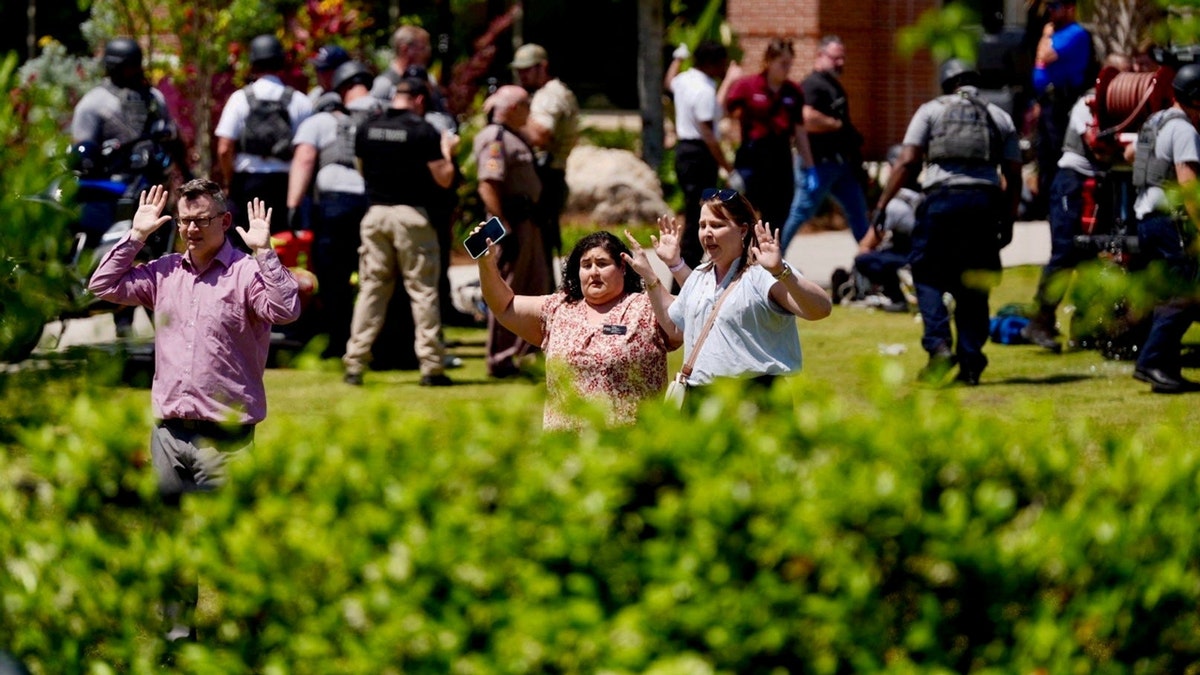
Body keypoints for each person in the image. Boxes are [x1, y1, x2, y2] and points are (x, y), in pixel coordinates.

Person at [87, 180, 301, 497]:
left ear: (225, 221)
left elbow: (286, 310)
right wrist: (136, 236)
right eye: (184, 220)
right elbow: (101, 285)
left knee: (223, 537)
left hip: (225, 441)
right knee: (165, 533)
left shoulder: (246, 272)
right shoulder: (164, 272)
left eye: (202, 219)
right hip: (167, 435)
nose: (191, 229)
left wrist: (265, 253)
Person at [874, 59, 1022, 386]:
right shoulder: (1000, 116)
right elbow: (1013, 174)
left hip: (941, 201)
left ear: (946, 84)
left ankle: (939, 346)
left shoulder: (931, 110)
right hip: (985, 204)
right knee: (974, 282)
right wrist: (1009, 220)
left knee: (926, 274)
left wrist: (883, 203)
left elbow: (908, 160)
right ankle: (971, 362)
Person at [624, 188, 831, 391]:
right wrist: (650, 275)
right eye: (702, 225)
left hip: (755, 397)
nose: (707, 233)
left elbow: (820, 309)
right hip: (701, 397)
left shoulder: (763, 274)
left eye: (717, 225)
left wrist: (781, 271)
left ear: (742, 230)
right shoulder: (700, 275)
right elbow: (675, 328)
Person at [474, 229, 679, 429]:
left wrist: (660, 272)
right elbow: (503, 306)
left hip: (628, 446)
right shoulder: (557, 309)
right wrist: (487, 263)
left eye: (602, 263)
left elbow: (684, 323)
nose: (594, 272)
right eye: (586, 265)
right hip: (566, 450)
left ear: (623, 267)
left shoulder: (647, 307)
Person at [342, 77, 459, 387]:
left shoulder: (367, 127)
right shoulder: (423, 130)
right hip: (411, 216)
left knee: (371, 289)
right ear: (420, 100)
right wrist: (449, 151)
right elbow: (445, 178)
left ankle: (355, 362)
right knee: (422, 291)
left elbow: (362, 169)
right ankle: (432, 367)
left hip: (375, 214)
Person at [71, 37, 189, 337]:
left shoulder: (152, 98)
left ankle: (164, 333)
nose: (133, 71)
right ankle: (121, 325)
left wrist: (187, 175)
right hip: (111, 193)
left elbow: (172, 139)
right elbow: (82, 150)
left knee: (158, 260)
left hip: (152, 190)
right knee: (119, 253)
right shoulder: (94, 103)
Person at [1022, 54, 1132, 352]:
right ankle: (1040, 320)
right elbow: (1098, 148)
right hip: (1072, 183)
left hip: (1097, 185)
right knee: (1064, 252)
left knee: (1091, 257)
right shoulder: (1087, 104)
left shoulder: (1124, 109)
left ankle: (1082, 328)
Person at [287, 60, 384, 359]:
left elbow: (304, 159)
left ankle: (338, 340)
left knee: (333, 275)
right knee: (373, 274)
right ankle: (374, 343)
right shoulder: (379, 117)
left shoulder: (319, 121)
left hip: (334, 204)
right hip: (374, 201)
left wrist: (293, 204)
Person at [1128, 63, 1200, 393]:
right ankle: (1152, 362)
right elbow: (1188, 186)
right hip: (1169, 221)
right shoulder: (1185, 130)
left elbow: (1130, 153)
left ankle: (1166, 369)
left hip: (1145, 219)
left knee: (1165, 296)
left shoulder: (1153, 121)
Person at [474, 85, 550, 378]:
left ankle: (527, 353)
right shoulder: (495, 138)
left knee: (533, 286)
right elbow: (488, 183)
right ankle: (501, 358)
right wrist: (501, 224)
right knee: (508, 288)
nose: (530, 112)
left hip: (528, 222)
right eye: (525, 106)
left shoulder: (515, 136)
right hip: (511, 225)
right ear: (512, 108)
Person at [215, 34, 313, 234]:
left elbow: (225, 148)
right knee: (279, 246)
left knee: (242, 248)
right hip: (284, 185)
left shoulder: (240, 98)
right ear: (281, 62)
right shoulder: (300, 101)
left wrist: (230, 181)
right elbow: (306, 152)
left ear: (252, 63)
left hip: (247, 183)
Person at [780, 35, 870, 250]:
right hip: (818, 163)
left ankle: (871, 261)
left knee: (858, 211)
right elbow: (806, 117)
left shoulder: (832, 85)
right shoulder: (812, 84)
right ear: (820, 55)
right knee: (801, 211)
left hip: (841, 164)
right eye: (835, 58)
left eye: (842, 58)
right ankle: (771, 259)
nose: (841, 63)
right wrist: (835, 124)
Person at [724, 38, 814, 234]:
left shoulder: (793, 91)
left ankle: (767, 258)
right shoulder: (748, 86)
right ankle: (740, 255)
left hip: (780, 155)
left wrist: (809, 165)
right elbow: (725, 111)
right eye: (783, 63)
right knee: (745, 210)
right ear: (768, 61)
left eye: (790, 63)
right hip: (753, 154)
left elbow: (799, 131)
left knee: (779, 212)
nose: (787, 68)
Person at [664, 40, 739, 271]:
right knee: (697, 216)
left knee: (693, 210)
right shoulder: (705, 89)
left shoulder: (685, 79)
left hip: (684, 151)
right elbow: (708, 132)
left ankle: (686, 269)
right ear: (712, 63)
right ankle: (684, 276)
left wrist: (677, 59)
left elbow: (669, 81)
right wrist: (727, 167)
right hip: (699, 153)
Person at [512, 43, 581, 277]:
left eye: (527, 69)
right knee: (540, 247)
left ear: (543, 67)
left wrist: (509, 120)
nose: (521, 75)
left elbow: (541, 134)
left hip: (546, 178)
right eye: (519, 70)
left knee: (537, 249)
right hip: (549, 177)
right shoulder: (552, 92)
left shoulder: (549, 95)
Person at [833, 144, 918, 312]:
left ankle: (898, 297)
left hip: (909, 262)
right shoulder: (924, 196)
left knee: (865, 260)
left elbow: (867, 244)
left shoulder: (894, 204)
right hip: (928, 260)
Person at [1032, 0, 1095, 218]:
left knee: (1059, 154)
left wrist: (1046, 35)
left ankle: (1063, 204)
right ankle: (1047, 206)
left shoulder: (1074, 33)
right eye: (1049, 7)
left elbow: (1045, 56)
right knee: (1044, 155)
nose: (1051, 11)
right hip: (1047, 101)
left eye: (1055, 6)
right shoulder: (1055, 33)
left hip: (1062, 102)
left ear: (1070, 8)